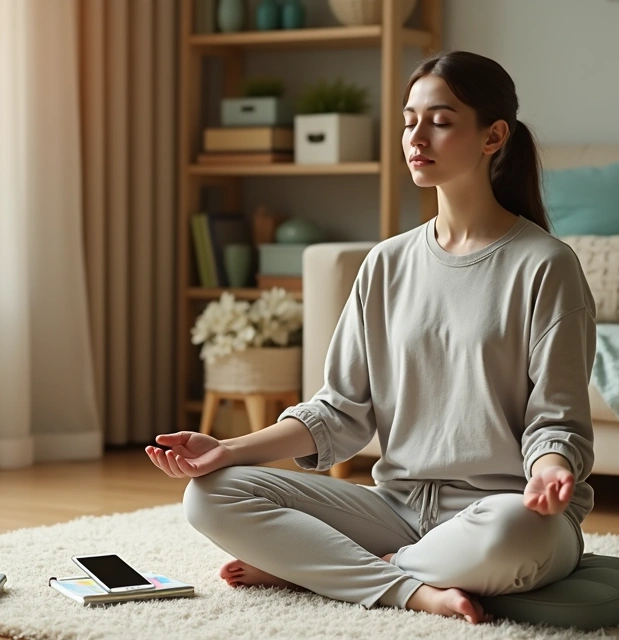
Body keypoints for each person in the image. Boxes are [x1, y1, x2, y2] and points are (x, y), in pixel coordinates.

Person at [145, 50, 595, 625]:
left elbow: (555, 418)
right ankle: (408, 585)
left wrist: (551, 469)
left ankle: (328, 570)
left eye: (441, 120)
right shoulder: (385, 264)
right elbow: (338, 413)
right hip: (394, 508)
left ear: (493, 136)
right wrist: (223, 450)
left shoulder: (546, 265)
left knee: (513, 532)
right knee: (210, 494)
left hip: (507, 512)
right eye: (409, 120)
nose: (416, 136)